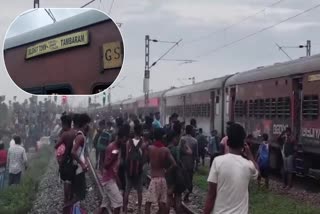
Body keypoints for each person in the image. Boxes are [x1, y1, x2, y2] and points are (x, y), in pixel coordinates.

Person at [204, 123, 259, 214]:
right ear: (243, 144)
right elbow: (257, 171)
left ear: (228, 142)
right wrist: (250, 155)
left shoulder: (217, 162)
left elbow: (211, 195)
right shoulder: (248, 165)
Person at [145, 128, 176, 214]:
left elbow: (146, 159)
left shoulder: (150, 148)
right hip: (162, 178)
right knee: (162, 203)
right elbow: (174, 164)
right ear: (163, 137)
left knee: (148, 203)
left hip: (154, 179)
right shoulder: (165, 150)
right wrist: (166, 171)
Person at [97, 126, 128, 214]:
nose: (124, 142)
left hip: (110, 179)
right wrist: (114, 157)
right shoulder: (113, 148)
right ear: (120, 137)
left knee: (104, 206)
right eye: (124, 140)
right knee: (118, 202)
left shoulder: (117, 147)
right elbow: (106, 165)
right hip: (109, 180)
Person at [54, 114, 77, 214]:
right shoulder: (76, 132)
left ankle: (66, 205)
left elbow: (56, 145)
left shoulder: (65, 134)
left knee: (67, 182)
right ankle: (72, 204)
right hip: (75, 161)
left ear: (64, 124)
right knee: (72, 182)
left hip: (66, 161)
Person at [166, 130, 190, 213]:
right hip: (177, 176)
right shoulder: (177, 149)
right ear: (174, 138)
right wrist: (185, 144)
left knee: (168, 197)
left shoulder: (166, 148)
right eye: (178, 138)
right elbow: (190, 152)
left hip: (169, 176)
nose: (178, 140)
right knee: (178, 198)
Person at [123, 124, 146, 214]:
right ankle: (139, 209)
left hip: (129, 170)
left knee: (127, 190)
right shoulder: (143, 143)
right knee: (139, 191)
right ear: (140, 131)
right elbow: (144, 159)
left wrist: (127, 168)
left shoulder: (128, 142)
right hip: (138, 171)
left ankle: (125, 210)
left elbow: (126, 157)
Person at [71, 113, 91, 202]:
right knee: (79, 195)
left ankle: (75, 210)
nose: (89, 125)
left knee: (79, 194)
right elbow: (73, 152)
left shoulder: (79, 134)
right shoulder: (80, 136)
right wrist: (82, 164)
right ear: (84, 123)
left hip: (78, 168)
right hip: (78, 169)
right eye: (88, 123)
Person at [180, 125, 198, 203]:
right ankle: (186, 197)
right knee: (190, 180)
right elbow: (196, 155)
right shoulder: (194, 141)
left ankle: (180, 195)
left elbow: (179, 151)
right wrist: (196, 165)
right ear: (191, 131)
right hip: (190, 163)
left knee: (182, 179)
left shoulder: (181, 139)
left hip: (182, 163)